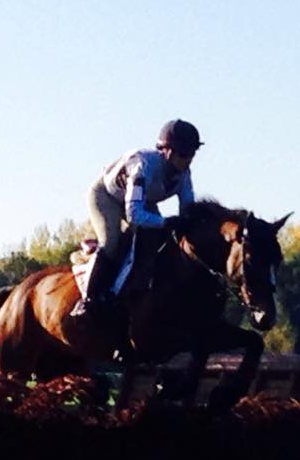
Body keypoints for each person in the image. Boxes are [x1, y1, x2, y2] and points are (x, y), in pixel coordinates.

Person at [71, 118, 202, 318]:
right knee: (112, 241)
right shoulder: (143, 166)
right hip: (106, 196)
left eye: (192, 153)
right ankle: (88, 299)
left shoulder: (184, 174)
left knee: (160, 240)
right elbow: (134, 214)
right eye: (184, 154)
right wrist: (166, 222)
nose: (188, 160)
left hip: (140, 200)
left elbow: (188, 210)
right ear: (167, 152)